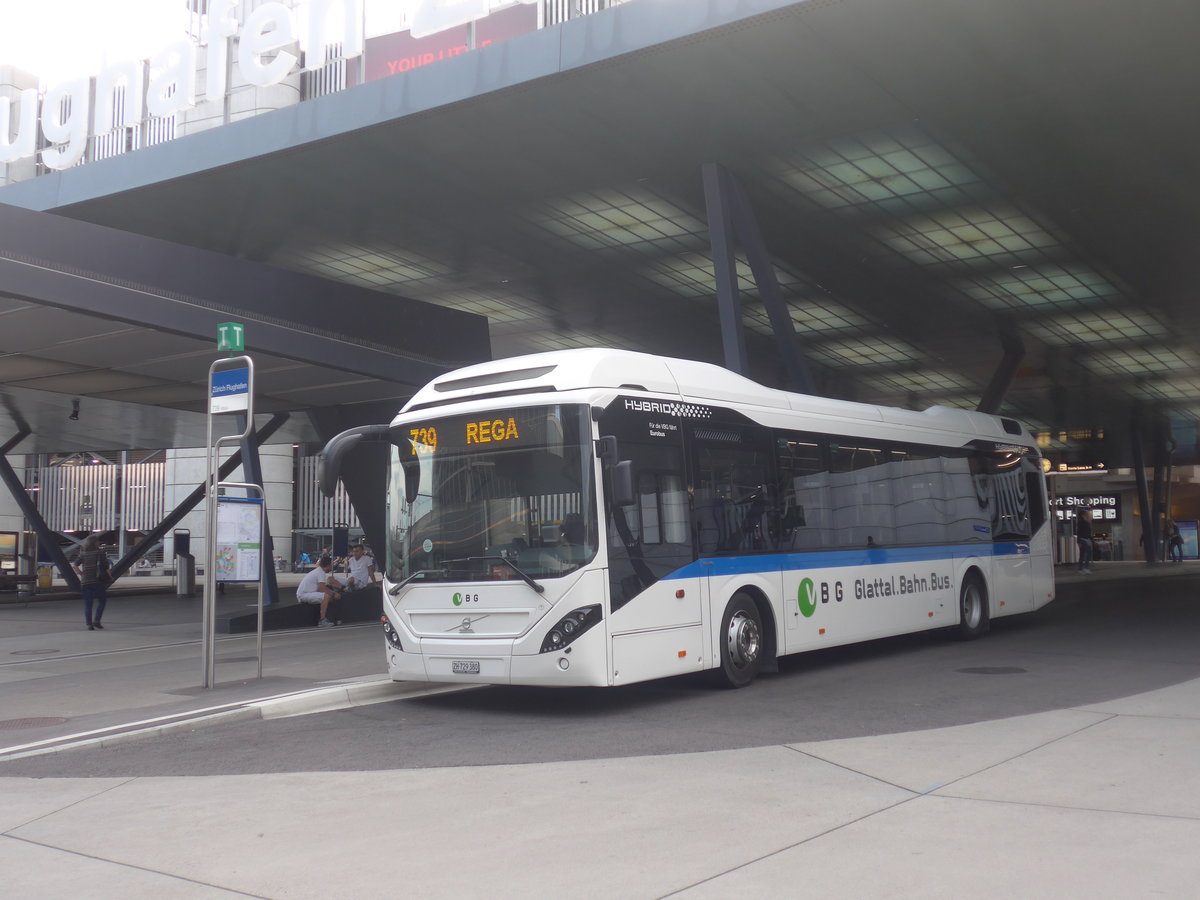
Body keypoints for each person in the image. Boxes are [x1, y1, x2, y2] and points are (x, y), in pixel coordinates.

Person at [73, 535, 110, 631]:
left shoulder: (83, 554)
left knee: (88, 604)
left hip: (85, 582)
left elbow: (75, 565)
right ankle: (97, 620)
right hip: (98, 582)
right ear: (96, 543)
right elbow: (106, 567)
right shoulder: (100, 553)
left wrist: (81, 574)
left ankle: (89, 624)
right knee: (102, 601)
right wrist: (110, 577)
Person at [296, 556, 345, 626]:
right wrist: (334, 594)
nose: (331, 567)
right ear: (328, 565)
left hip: (305, 593)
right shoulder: (320, 573)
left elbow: (322, 588)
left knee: (329, 598)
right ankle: (322, 620)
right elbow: (322, 589)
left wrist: (332, 594)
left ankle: (332, 618)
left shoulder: (318, 571)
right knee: (326, 597)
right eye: (331, 565)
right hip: (304, 595)